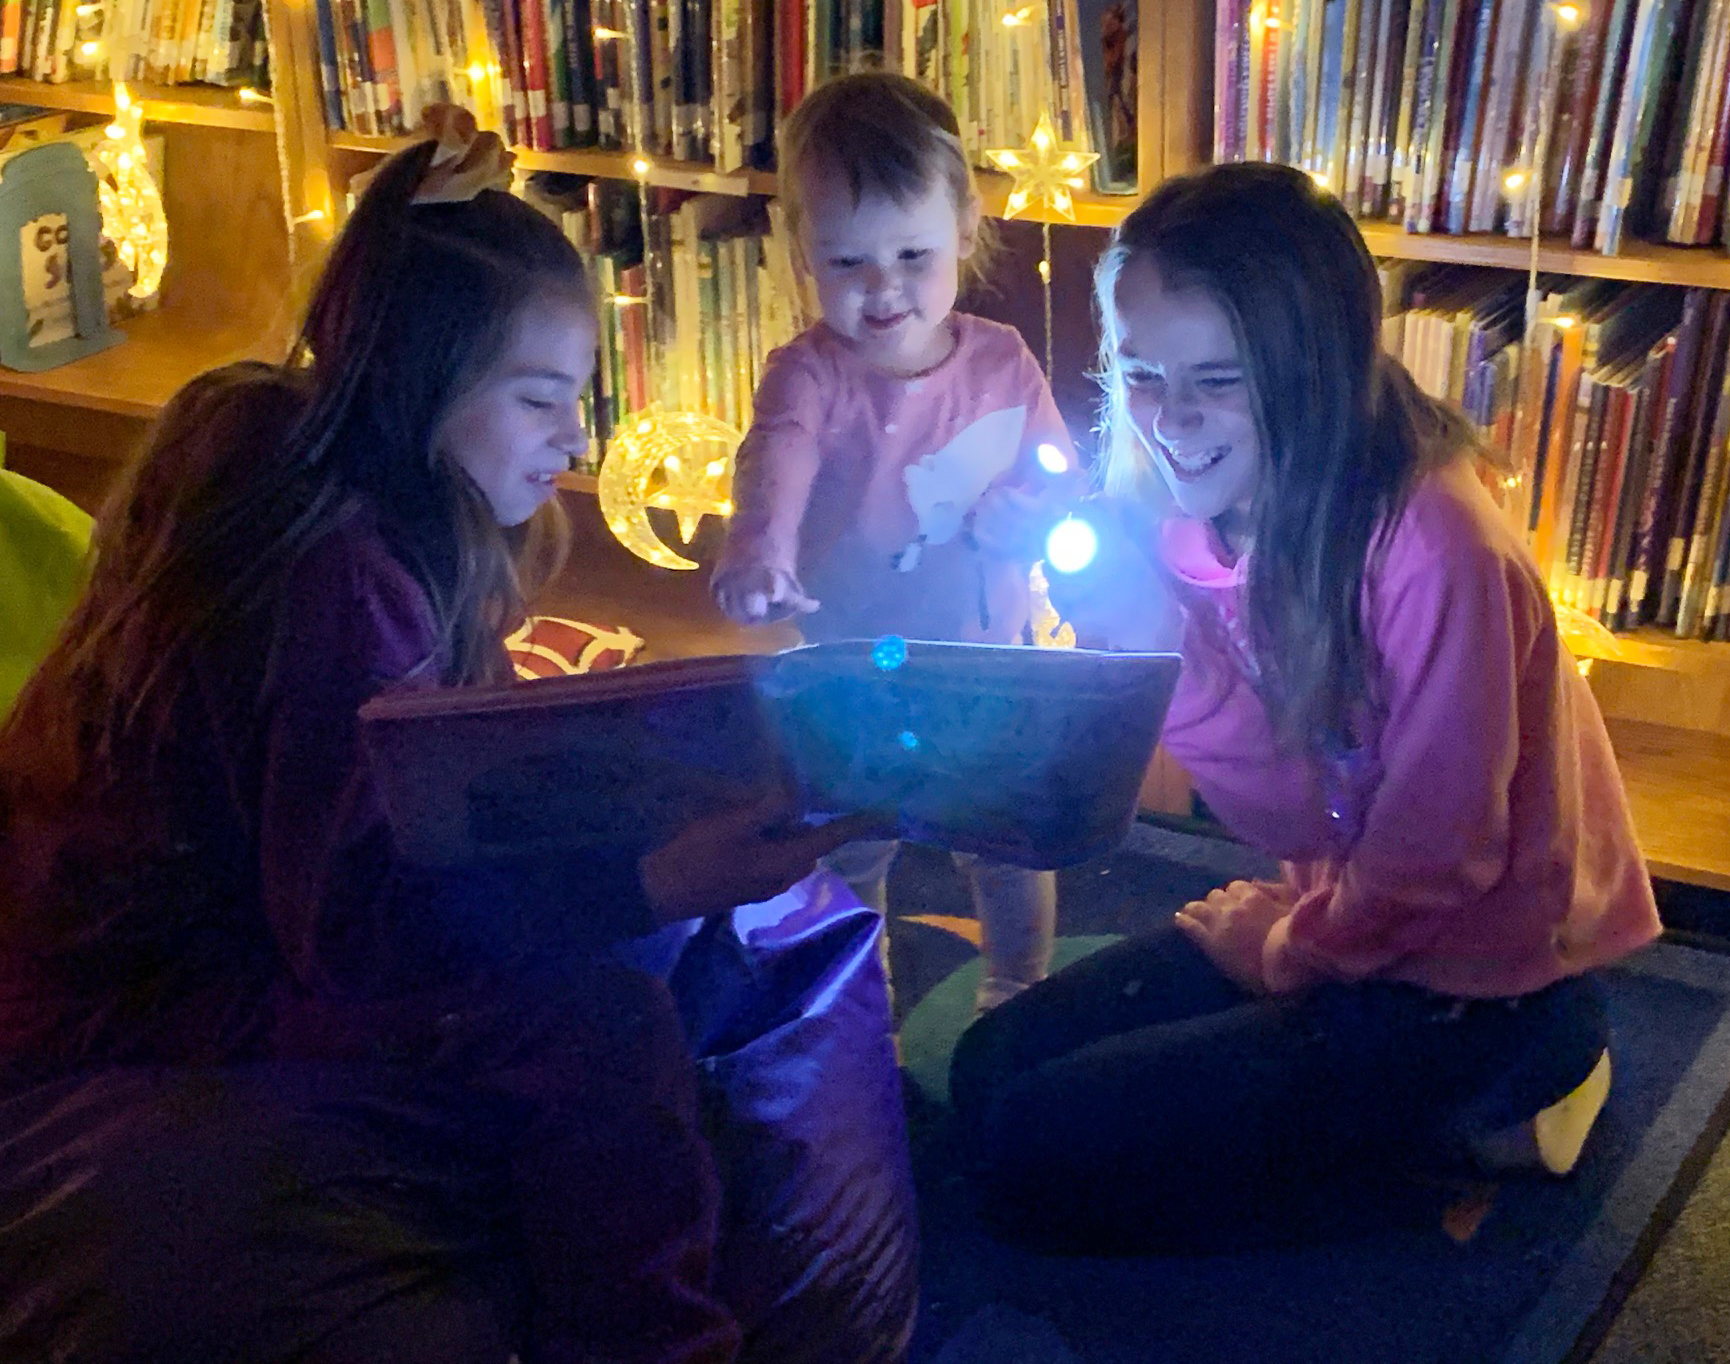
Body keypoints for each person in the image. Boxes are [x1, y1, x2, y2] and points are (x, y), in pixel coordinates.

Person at [0, 107, 873, 1363]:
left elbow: (411, 800)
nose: (572, 439)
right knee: (600, 1025)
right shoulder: (323, 569)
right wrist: (641, 876)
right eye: (538, 400)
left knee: (691, 954)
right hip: (140, 997)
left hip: (176, 948)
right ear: (424, 376)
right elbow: (350, 932)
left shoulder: (350, 510)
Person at [948, 161, 1663, 1251]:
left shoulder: (1436, 546)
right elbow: (1296, 812)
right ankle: (1432, 1092)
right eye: (1139, 372)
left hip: (1473, 969)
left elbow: (1435, 855)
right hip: (1351, 917)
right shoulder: (1183, 505)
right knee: (984, 1070)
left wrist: (1283, 951)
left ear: (1311, 368)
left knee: (1037, 1154)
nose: (1168, 419)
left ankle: (1531, 1062)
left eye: (1218, 380)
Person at [711, 72, 1082, 1013]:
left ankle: (1017, 984)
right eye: (847, 264)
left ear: (964, 227)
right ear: (803, 253)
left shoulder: (1003, 359)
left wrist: (1028, 509)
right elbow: (776, 457)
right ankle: (859, 996)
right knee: (854, 843)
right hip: (855, 667)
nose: (883, 291)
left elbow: (1054, 468)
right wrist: (761, 549)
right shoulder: (809, 375)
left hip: (988, 656)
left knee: (1001, 838)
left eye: (912, 255)